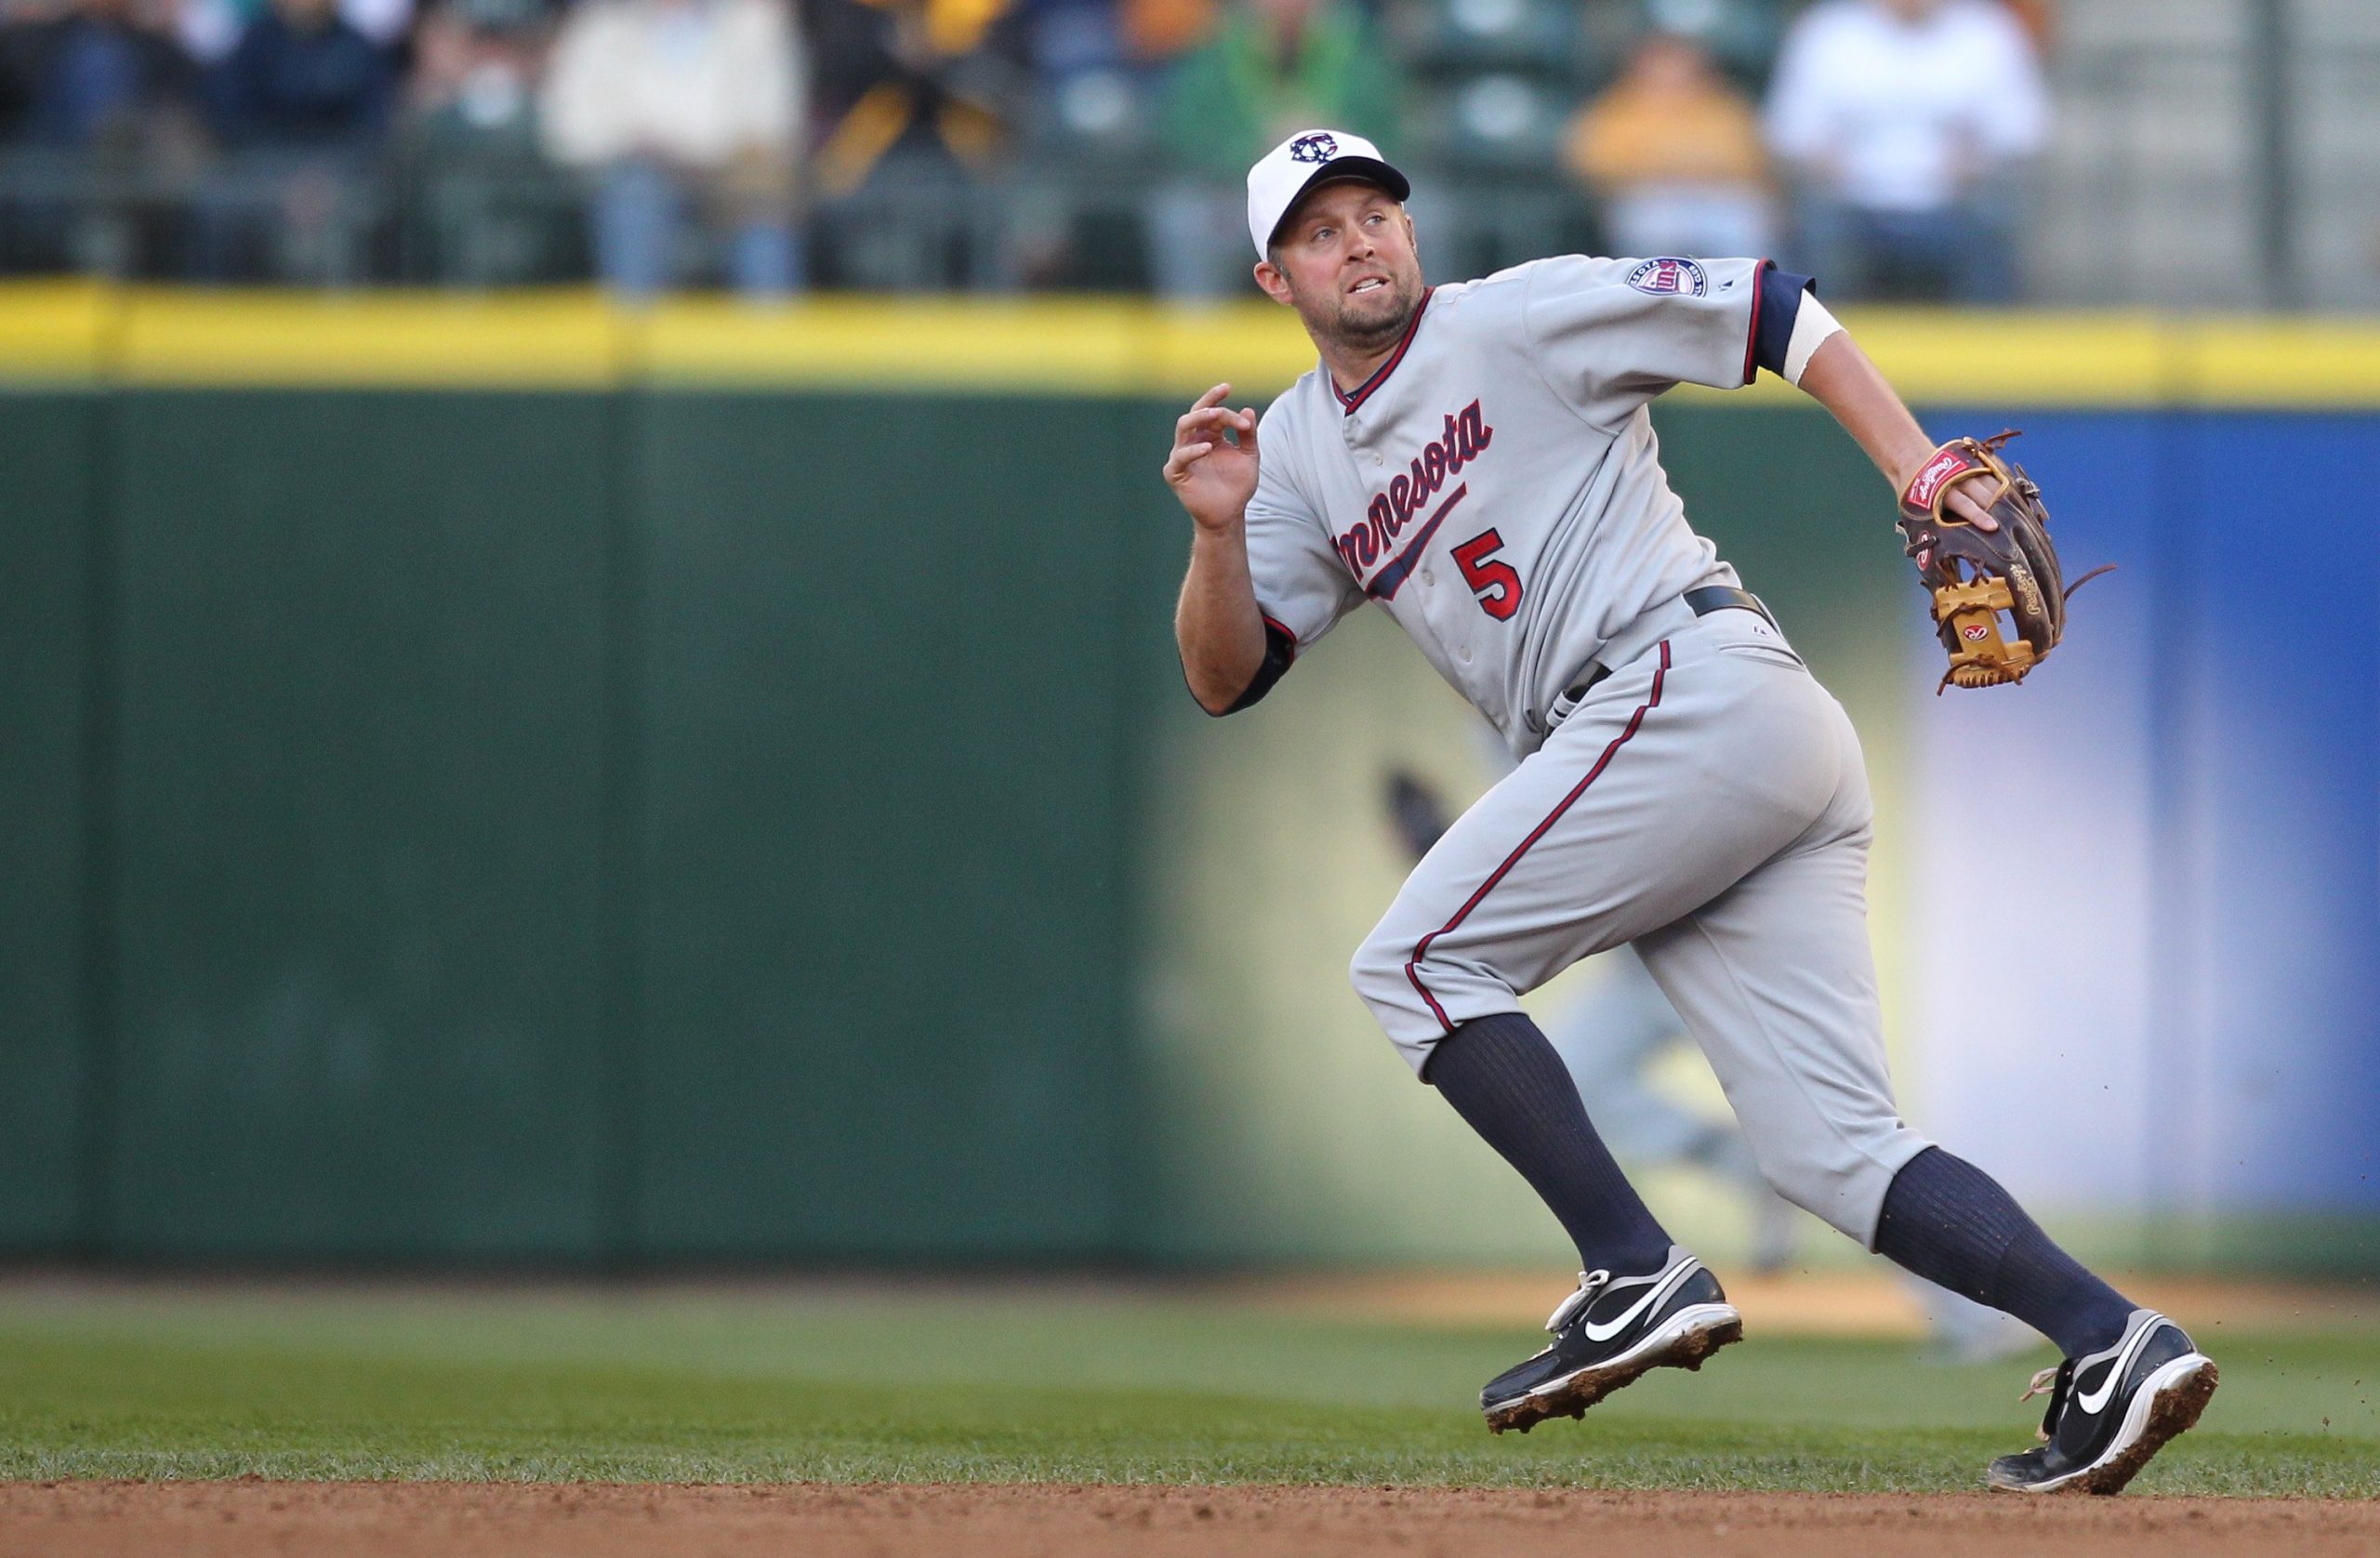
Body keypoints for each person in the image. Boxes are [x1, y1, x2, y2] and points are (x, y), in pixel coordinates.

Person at [1159, 125, 2215, 1493]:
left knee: (1416, 962)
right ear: (1274, 280)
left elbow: (1773, 308)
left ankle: (1631, 1268)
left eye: (1375, 212)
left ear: (1412, 233)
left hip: (1683, 682)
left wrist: (1916, 468)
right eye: (1321, 229)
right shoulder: (1296, 450)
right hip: (1707, 743)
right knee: (1828, 1155)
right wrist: (1216, 534)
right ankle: (2113, 1341)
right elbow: (1227, 677)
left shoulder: (1517, 317)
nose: (1360, 239)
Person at [1762, 0, 2047, 302]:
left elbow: (2023, 130)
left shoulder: (1988, 31)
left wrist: (1978, 159)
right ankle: (1819, 345)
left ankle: (1989, 342)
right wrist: (1825, 161)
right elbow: (1790, 132)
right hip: (1851, 202)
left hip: (1955, 202)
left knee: (1993, 219)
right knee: (1814, 228)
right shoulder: (1827, 32)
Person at [538, 0, 804, 300]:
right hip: (636, 175)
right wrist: (641, 143)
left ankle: (772, 336)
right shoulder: (600, 27)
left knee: (763, 208)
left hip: (730, 179)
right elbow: (569, 127)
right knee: (636, 194)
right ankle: (634, 333)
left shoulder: (755, 23)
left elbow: (775, 123)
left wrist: (692, 149)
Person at [1564, 30, 1773, 262]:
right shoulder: (1618, 108)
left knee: (1746, 224)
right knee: (1656, 225)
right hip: (1649, 199)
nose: (1671, 73)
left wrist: (1677, 163)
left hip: (1718, 200)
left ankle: (1757, 294)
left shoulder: (1722, 108)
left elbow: (1751, 162)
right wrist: (1674, 164)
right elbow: (1591, 162)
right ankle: (1653, 295)